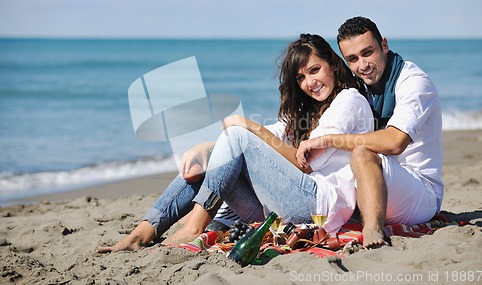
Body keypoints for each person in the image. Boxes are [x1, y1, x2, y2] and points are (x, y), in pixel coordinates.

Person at [97, 34, 373, 252]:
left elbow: (305, 165)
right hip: (278, 209)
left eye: (315, 70)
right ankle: (143, 231)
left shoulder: (349, 100)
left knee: (238, 135)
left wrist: (246, 126)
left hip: (316, 207)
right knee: (214, 154)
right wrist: (209, 148)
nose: (309, 82)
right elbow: (272, 135)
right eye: (300, 77)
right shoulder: (311, 110)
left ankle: (194, 225)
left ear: (332, 64)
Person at [296, 17, 444, 248]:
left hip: (419, 193)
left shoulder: (413, 83)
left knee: (361, 153)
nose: (362, 65)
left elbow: (395, 142)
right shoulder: (361, 86)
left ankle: (372, 230)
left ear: (384, 45)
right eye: (352, 59)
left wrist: (327, 139)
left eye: (368, 53)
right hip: (377, 183)